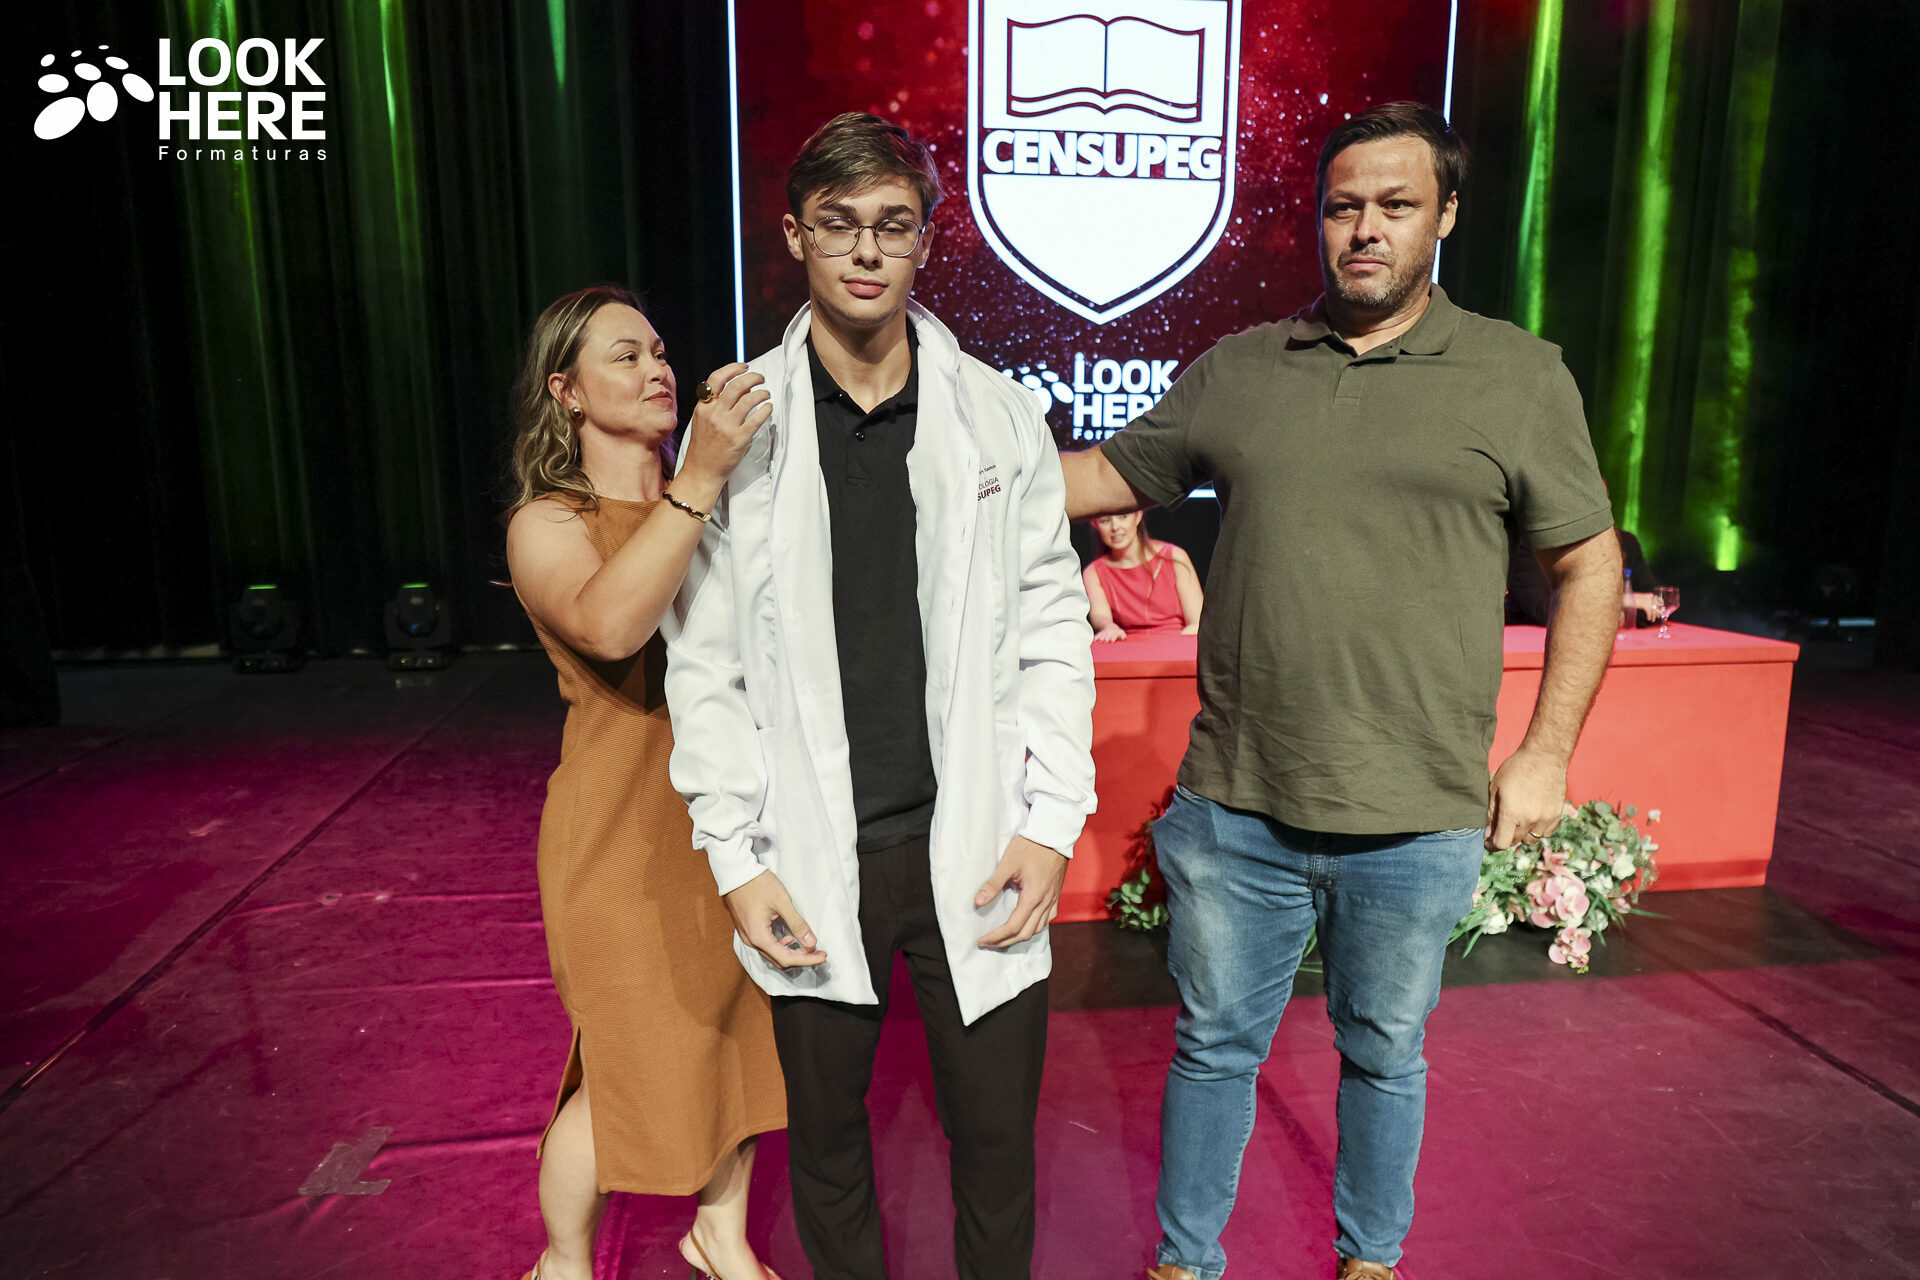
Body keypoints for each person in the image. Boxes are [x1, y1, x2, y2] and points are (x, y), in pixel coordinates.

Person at [1059, 103, 1623, 1280]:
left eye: (1395, 204)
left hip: (1415, 815)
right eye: (1343, 206)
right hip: (1237, 808)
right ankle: (1184, 1262)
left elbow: (1589, 564)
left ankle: (1371, 1258)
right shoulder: (1243, 367)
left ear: (1446, 215)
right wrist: (935, 433)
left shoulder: (1519, 375)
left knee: (1384, 1054)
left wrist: (1545, 751)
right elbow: (1099, 476)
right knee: (1214, 1048)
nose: (1365, 228)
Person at [665, 113, 1096, 1280]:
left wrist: (1050, 822)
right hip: (811, 849)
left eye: (893, 226)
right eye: (839, 223)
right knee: (827, 1141)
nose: (866, 250)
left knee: (996, 1144)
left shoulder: (996, 413)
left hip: (975, 840)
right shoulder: (739, 422)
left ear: (925, 243)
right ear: (795, 235)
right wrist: (736, 856)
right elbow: (702, 662)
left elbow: (1054, 626)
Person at [504, 286, 787, 1280]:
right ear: (566, 391)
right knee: (635, 1058)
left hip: (737, 821)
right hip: (623, 834)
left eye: (660, 349)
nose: (657, 367)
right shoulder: (550, 521)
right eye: (623, 356)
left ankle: (720, 1234)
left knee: (738, 1033)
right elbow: (613, 625)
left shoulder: (724, 506)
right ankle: (563, 1261)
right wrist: (700, 478)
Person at [1085, 511, 1203, 641]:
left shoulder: (1174, 557)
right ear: (1095, 524)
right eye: (1105, 521)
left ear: (1138, 516)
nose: (1115, 527)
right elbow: (1101, 616)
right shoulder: (1094, 572)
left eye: (1123, 517)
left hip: (1177, 643)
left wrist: (1173, 648)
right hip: (1128, 648)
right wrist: (1108, 627)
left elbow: (1197, 623)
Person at [1507, 527, 1662, 625]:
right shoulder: (1534, 545)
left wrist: (1622, 611)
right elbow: (1545, 611)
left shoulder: (1626, 542)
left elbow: (1655, 607)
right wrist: (1623, 601)